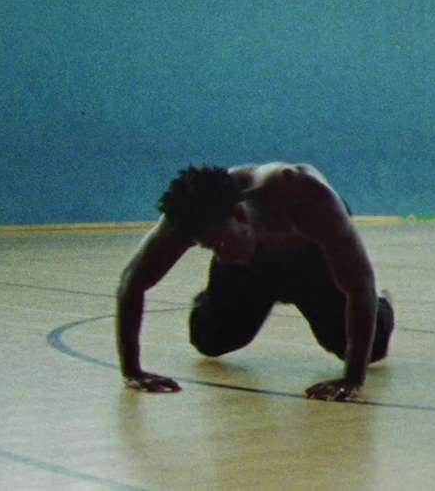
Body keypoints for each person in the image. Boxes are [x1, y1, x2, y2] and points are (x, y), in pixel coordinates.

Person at [116, 163, 394, 402]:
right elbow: (132, 280)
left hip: (311, 260)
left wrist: (352, 381)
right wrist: (132, 371)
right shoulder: (191, 215)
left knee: (369, 349)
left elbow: (359, 286)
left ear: (239, 214)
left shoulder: (306, 197)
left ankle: (384, 306)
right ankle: (208, 301)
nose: (220, 256)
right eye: (209, 248)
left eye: (219, 243)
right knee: (210, 342)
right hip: (249, 268)